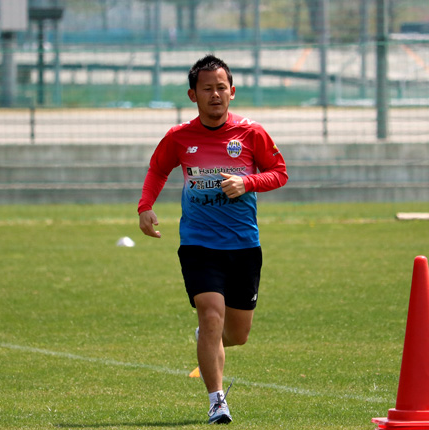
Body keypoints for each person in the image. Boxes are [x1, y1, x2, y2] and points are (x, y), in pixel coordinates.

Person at [137, 55, 288, 425]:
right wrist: (145, 207)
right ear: (193, 95)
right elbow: (158, 169)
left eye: (221, 87)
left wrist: (247, 182)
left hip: (244, 245)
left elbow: (279, 173)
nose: (215, 94)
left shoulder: (251, 133)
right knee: (210, 315)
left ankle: (208, 335)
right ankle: (217, 402)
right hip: (199, 245)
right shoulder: (179, 137)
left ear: (232, 92)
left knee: (236, 334)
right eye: (207, 89)